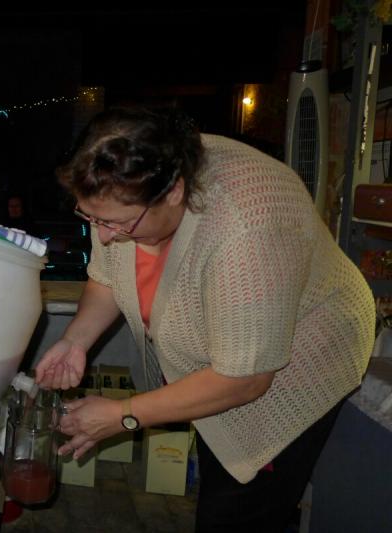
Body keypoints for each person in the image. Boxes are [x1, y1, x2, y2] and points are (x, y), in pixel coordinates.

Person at [34, 106, 375, 532]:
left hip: (299, 362)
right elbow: (107, 277)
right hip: (228, 364)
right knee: (219, 471)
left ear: (174, 192)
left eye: (115, 223)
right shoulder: (128, 190)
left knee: (236, 509)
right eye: (91, 218)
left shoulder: (247, 225)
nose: (103, 236)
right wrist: (75, 341)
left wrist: (123, 414)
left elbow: (245, 379)